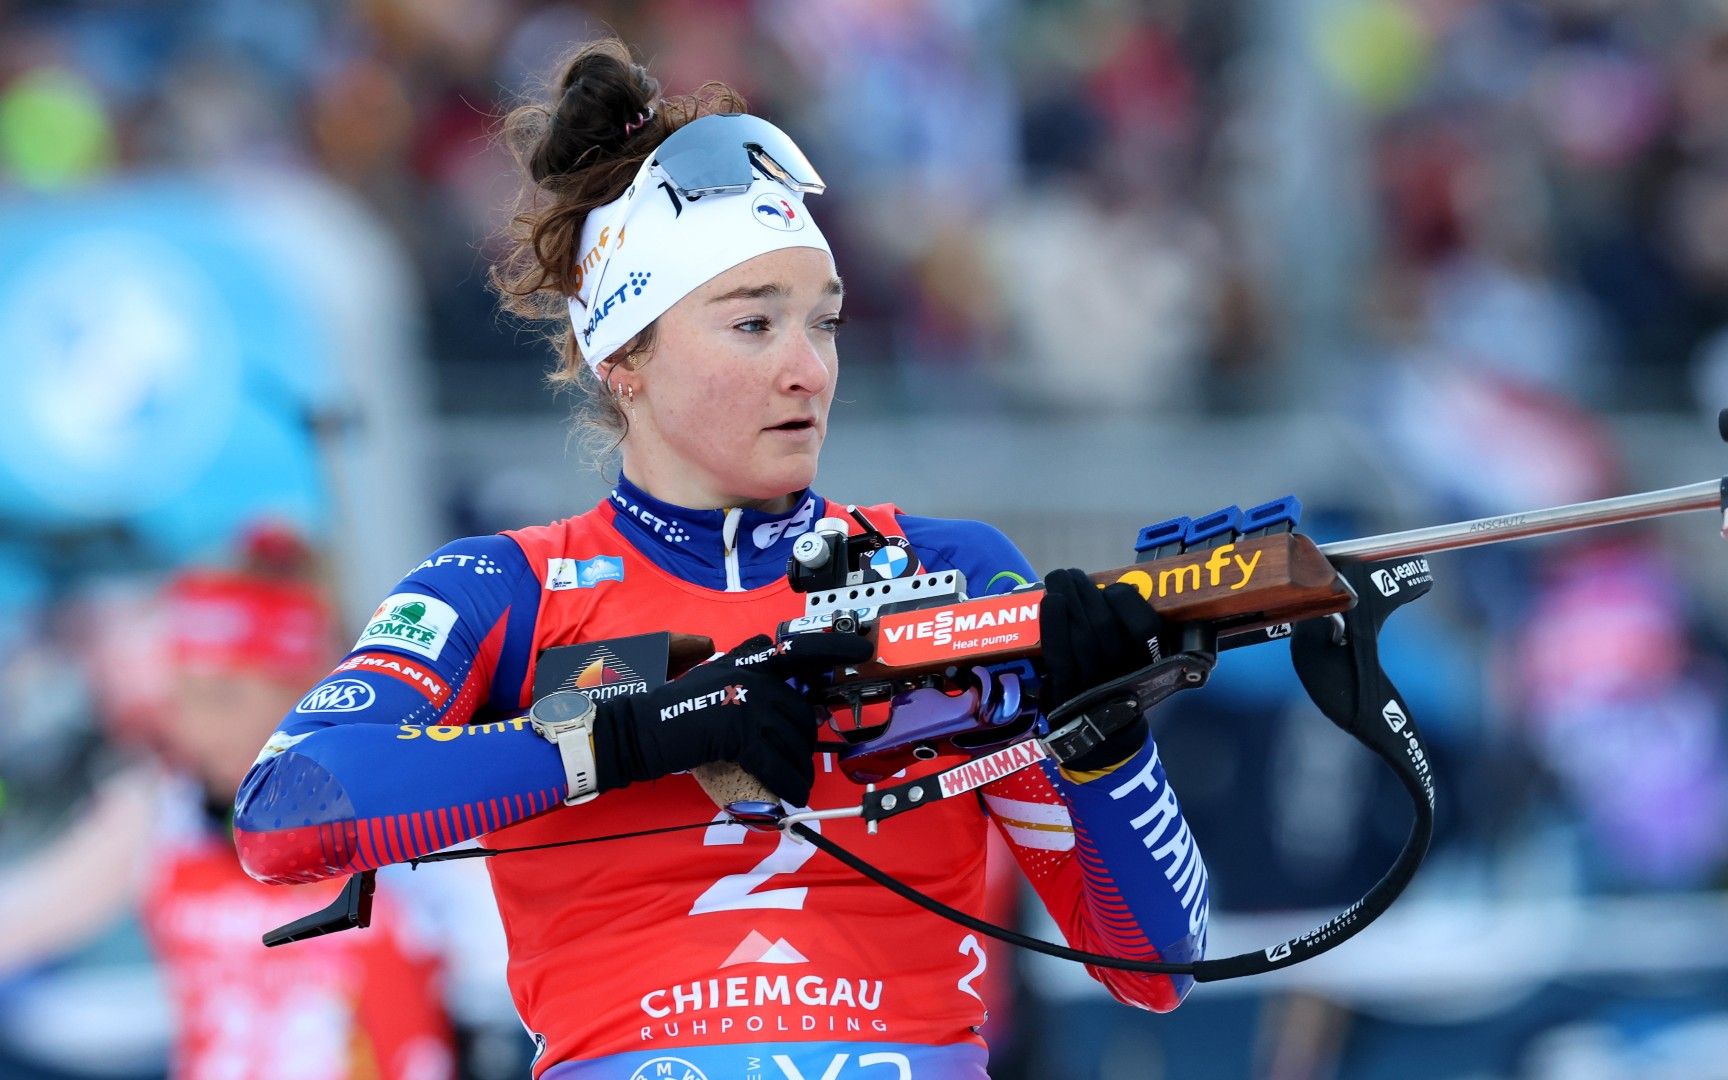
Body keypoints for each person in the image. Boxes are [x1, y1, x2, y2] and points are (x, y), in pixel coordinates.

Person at [236, 39, 1209, 1079]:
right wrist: (636, 733)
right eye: (753, 324)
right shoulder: (505, 590)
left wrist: (1107, 740)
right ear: (625, 356)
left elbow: (1157, 966)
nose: (808, 369)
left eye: (825, 322)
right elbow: (288, 810)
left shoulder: (952, 567)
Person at [0, 525, 456, 1080]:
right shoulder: (162, 810)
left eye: (224, 697)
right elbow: (25, 919)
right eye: (181, 697)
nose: (196, 728)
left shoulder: (417, 809)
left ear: (311, 691)